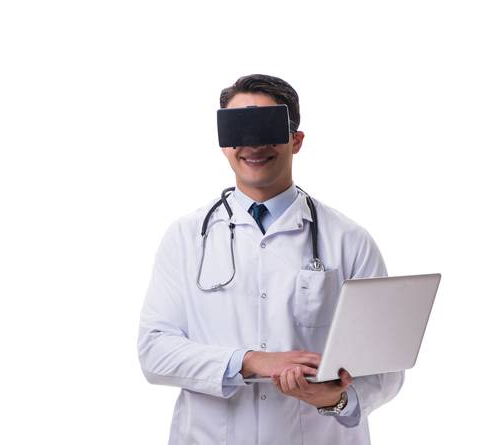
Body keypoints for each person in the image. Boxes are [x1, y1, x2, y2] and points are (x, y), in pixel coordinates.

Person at [137, 74, 402, 444]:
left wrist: (337, 399)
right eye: (239, 131)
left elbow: (385, 367)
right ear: (224, 144)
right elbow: (155, 351)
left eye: (266, 128)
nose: (254, 144)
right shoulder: (185, 238)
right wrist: (251, 361)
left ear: (297, 140)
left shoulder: (349, 240)